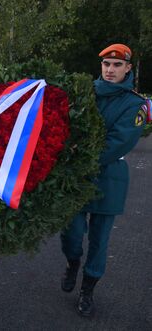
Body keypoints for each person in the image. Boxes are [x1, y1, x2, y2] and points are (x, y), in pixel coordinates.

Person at [60, 43, 148, 317]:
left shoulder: (136, 104)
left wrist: (78, 156)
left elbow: (118, 143)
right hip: (77, 178)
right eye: (106, 65)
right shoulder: (85, 94)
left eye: (117, 65)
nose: (110, 70)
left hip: (108, 180)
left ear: (128, 68)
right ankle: (73, 262)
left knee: (99, 240)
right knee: (71, 233)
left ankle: (88, 289)